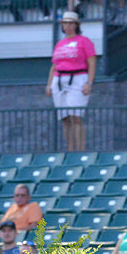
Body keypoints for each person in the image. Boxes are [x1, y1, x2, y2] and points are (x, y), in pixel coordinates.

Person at [46, 11, 97, 152]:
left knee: (76, 116)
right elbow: (54, 66)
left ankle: (80, 150)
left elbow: (92, 62)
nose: (67, 26)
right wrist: (49, 84)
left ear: (76, 25)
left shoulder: (84, 41)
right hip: (59, 78)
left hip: (78, 77)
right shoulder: (60, 44)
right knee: (65, 117)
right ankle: (70, 149)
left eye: (70, 23)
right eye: (65, 24)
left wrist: (89, 83)